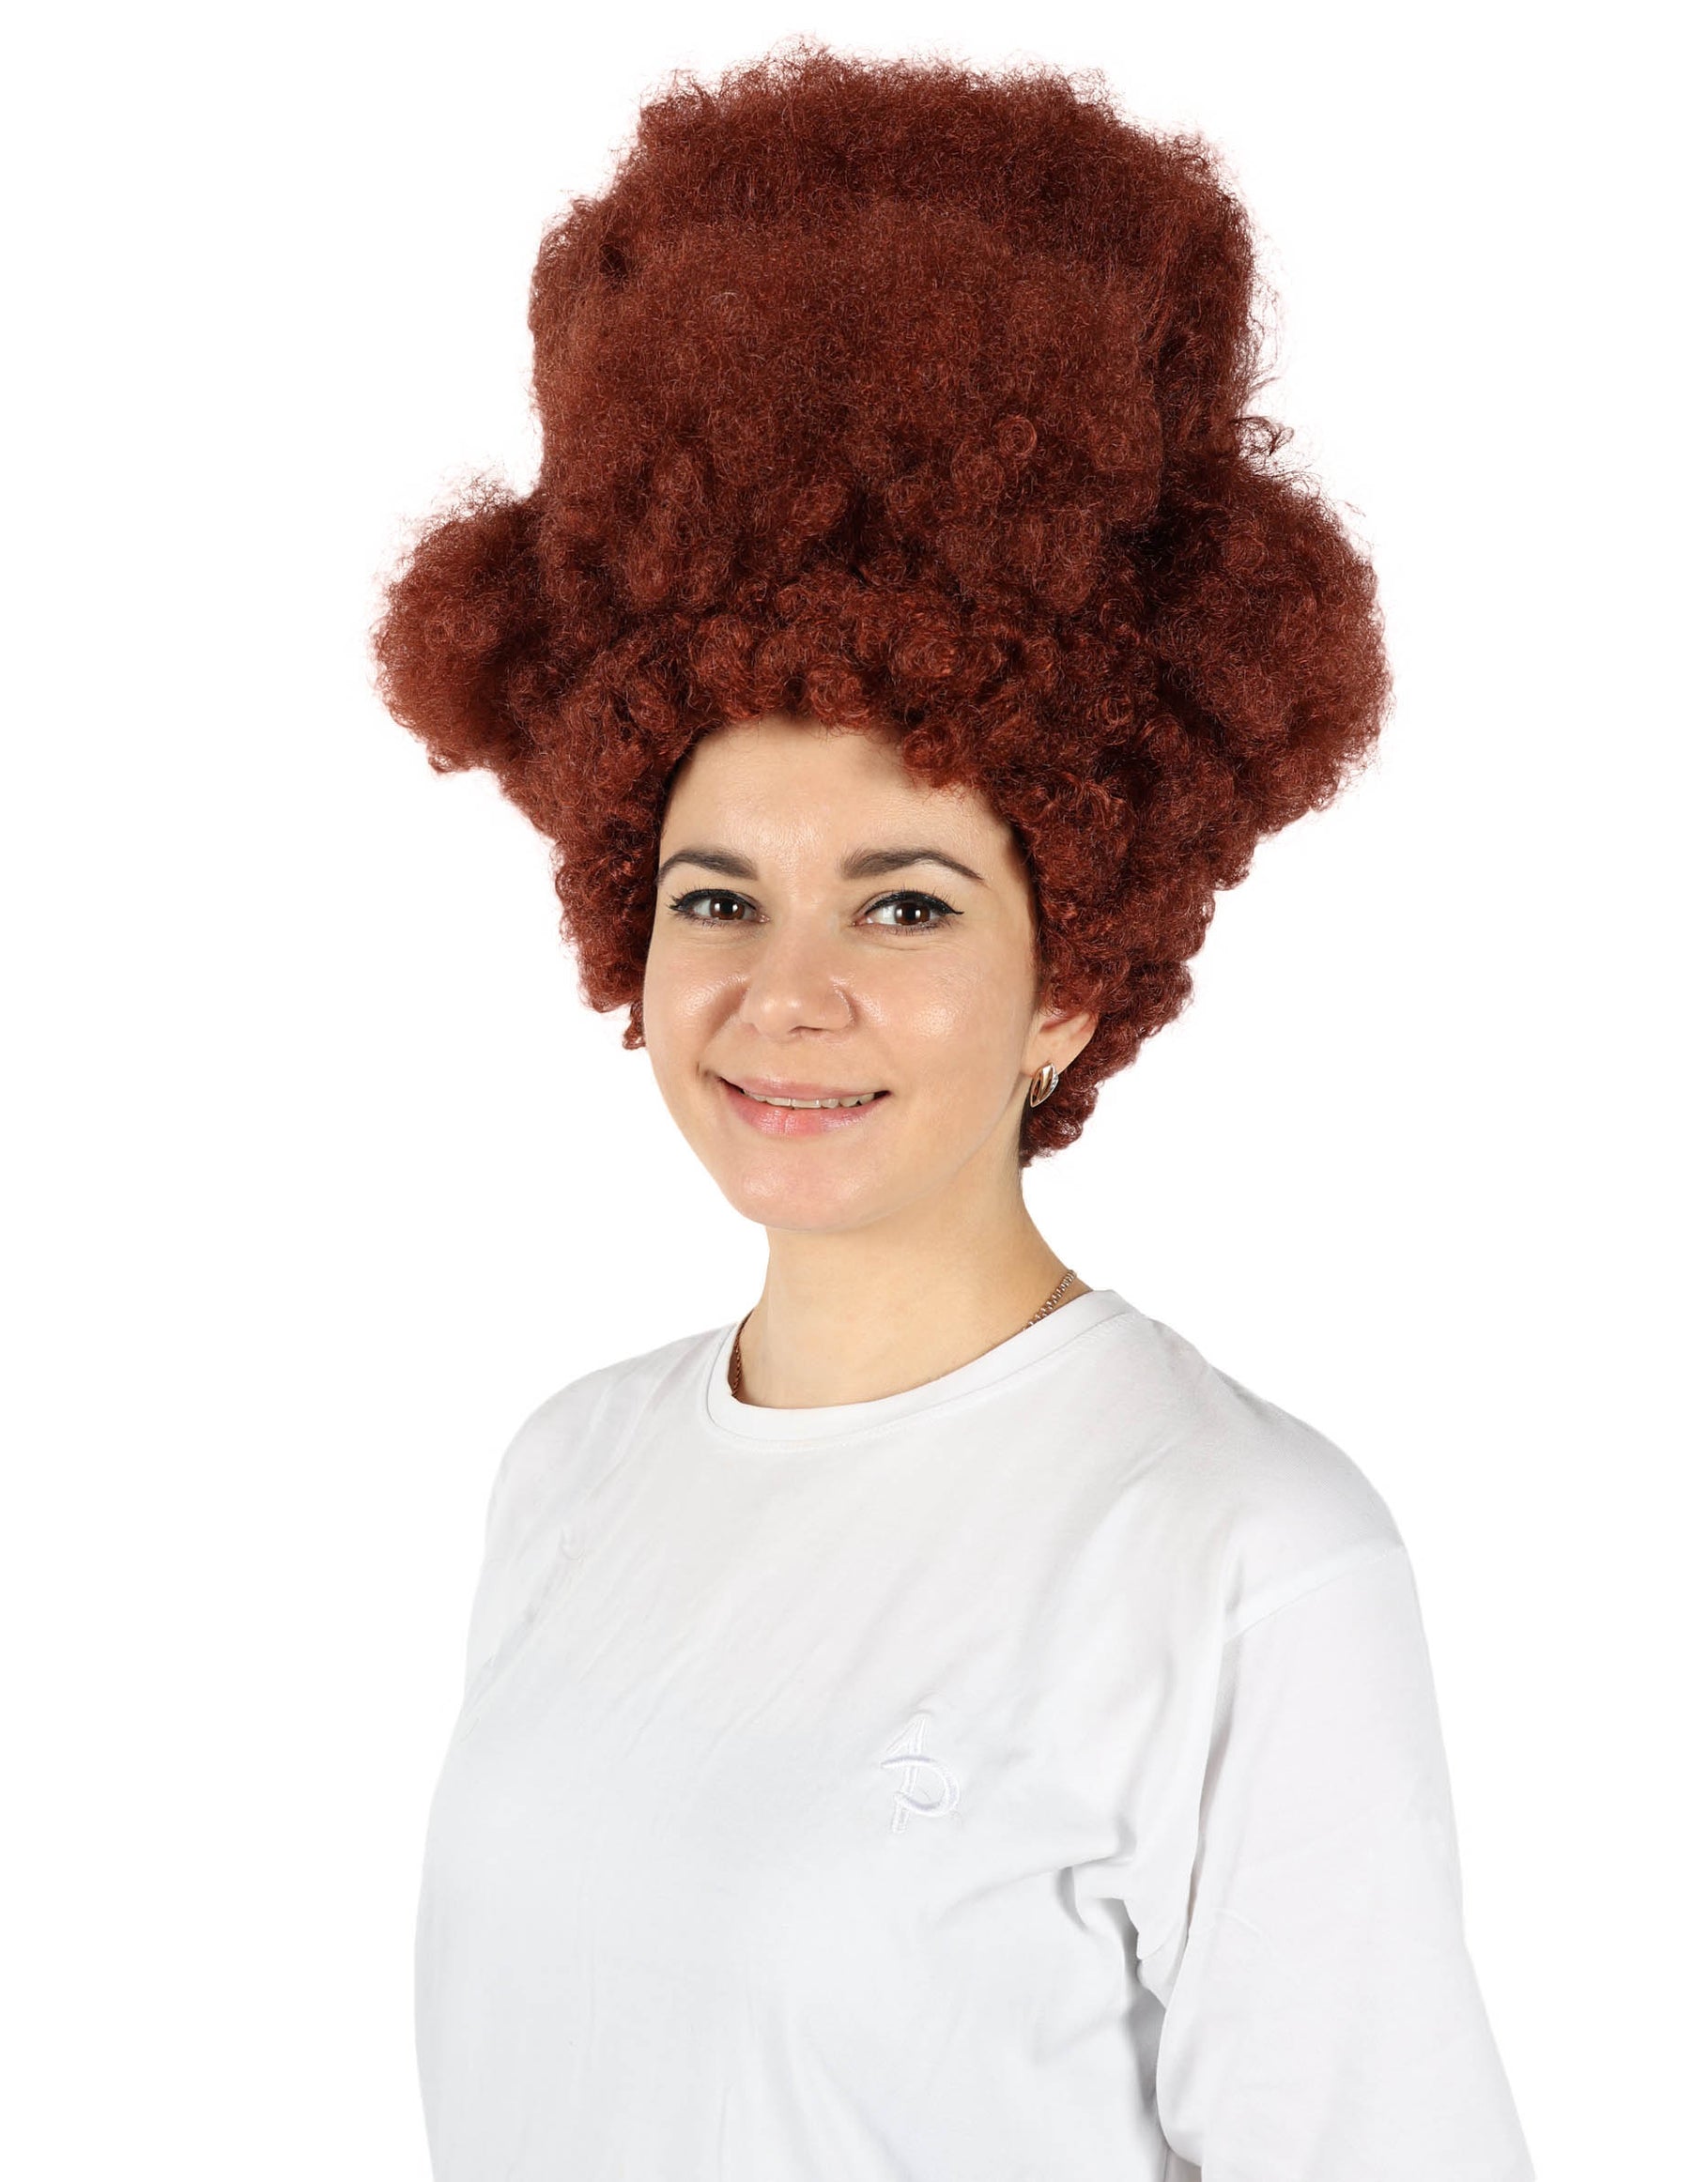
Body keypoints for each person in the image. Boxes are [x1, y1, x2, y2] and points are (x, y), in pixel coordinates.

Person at [373, 38, 1535, 2182]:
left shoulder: (1234, 1554)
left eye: (905, 902)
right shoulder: (569, 1474)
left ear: (1068, 978)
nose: (784, 992)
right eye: (715, 894)